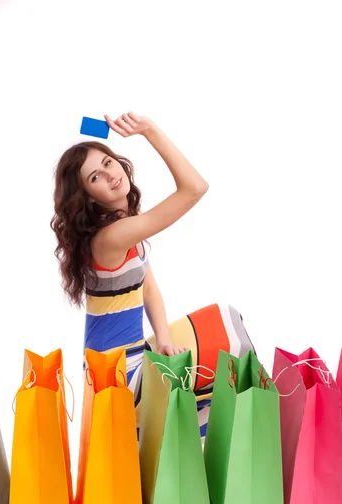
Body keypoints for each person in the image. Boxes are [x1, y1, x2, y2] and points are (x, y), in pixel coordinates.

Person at [50, 111, 255, 437]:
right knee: (232, 347)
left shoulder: (123, 224)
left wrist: (163, 339)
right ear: (87, 198)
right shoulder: (110, 238)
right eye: (94, 178)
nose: (109, 174)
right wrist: (149, 130)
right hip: (116, 378)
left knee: (228, 327)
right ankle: (196, 443)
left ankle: (193, 447)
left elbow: (148, 287)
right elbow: (194, 188)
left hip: (135, 353)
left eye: (107, 163)